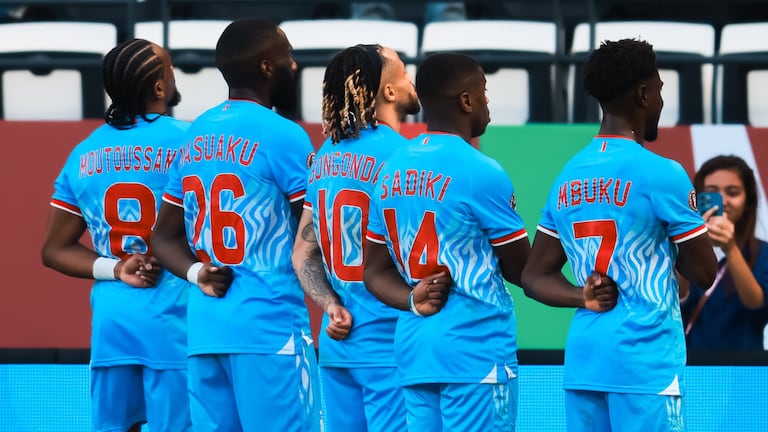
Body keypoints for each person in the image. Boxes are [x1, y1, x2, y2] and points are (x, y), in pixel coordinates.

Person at [362, 52, 615, 431]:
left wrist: (413, 299)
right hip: (475, 353)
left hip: (415, 351)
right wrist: (582, 292)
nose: (487, 101)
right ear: (466, 101)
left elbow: (374, 273)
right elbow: (523, 272)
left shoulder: (390, 169)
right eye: (483, 91)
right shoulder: (480, 170)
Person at [521, 38, 718, 432]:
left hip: (584, 363)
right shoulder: (664, 173)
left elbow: (533, 276)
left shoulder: (568, 175)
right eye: (659, 90)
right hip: (645, 367)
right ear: (643, 95)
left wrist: (582, 296)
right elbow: (705, 273)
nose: (661, 100)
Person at [150, 18, 319, 431]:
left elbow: (161, 236)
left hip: (206, 331)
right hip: (270, 331)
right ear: (266, 67)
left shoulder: (198, 131)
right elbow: (318, 234)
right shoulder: (285, 135)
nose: (294, 67)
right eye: (288, 57)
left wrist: (196, 272)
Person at [41, 38, 191, 432]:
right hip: (177, 320)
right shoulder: (193, 141)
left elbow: (54, 249)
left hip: (113, 323)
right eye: (169, 67)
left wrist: (116, 267)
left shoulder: (84, 153)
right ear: (160, 87)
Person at [292, 43, 442, 431]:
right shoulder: (404, 156)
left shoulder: (325, 153)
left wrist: (330, 306)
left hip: (340, 345)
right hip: (391, 343)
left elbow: (303, 255)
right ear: (389, 92)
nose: (412, 81)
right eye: (404, 73)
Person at [681, 155, 768, 350]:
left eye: (733, 192)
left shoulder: (763, 253)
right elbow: (678, 296)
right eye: (712, 193)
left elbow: (757, 305)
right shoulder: (684, 248)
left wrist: (730, 248)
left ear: (747, 202)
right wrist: (688, 242)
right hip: (692, 368)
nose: (723, 201)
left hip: (744, 369)